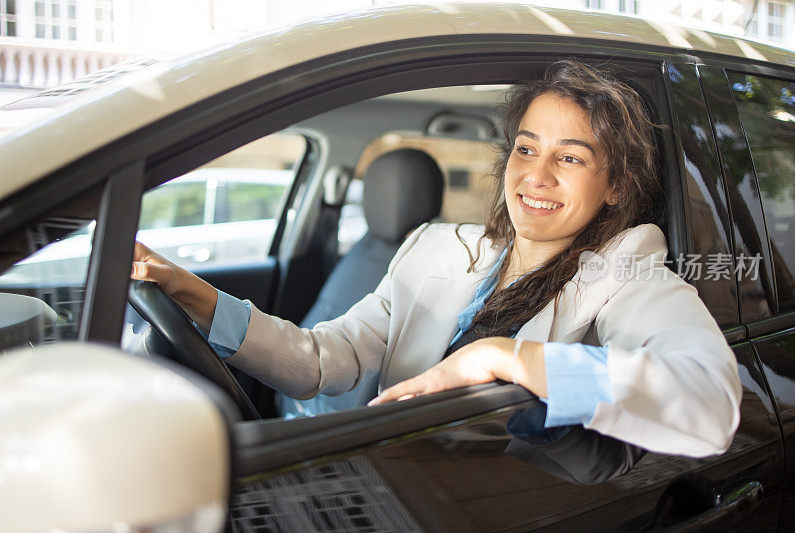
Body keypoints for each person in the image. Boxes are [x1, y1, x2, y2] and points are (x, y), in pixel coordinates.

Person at [131, 60, 742, 458]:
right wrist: (190, 293)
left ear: (615, 184)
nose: (537, 176)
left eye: (573, 158)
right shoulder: (434, 250)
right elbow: (324, 362)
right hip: (391, 480)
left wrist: (508, 356)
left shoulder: (629, 274)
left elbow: (710, 402)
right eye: (526, 150)